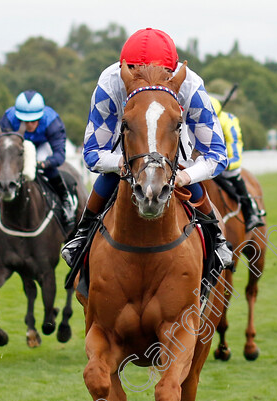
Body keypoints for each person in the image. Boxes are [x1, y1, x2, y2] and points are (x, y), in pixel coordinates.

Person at [61, 27, 231, 271]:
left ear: (172, 72)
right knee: (111, 176)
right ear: (125, 69)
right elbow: (92, 153)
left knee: (183, 171)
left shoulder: (191, 85)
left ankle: (216, 237)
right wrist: (119, 163)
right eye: (136, 73)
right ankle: (83, 233)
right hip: (128, 147)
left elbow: (217, 154)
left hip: (173, 147)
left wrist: (185, 175)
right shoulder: (110, 82)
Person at [0, 90, 75, 228]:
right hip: (18, 145)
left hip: (43, 145)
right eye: (24, 121)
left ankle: (65, 201)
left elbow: (59, 155)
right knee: (8, 164)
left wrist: (43, 164)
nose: (29, 125)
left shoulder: (52, 121)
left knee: (48, 168)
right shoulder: (9, 118)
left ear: (41, 116)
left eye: (33, 121)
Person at [209, 95, 265, 232]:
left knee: (233, 174)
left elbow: (234, 146)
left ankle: (251, 212)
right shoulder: (194, 120)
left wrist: (228, 163)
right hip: (202, 161)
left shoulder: (228, 121)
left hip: (224, 162)